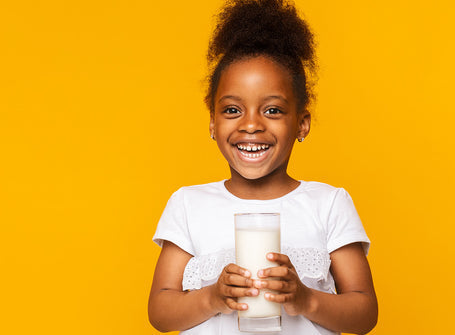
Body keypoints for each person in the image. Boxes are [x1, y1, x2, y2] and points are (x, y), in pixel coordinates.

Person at [148, 0, 378, 334]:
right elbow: (159, 310)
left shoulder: (328, 204)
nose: (251, 125)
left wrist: (306, 300)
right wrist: (211, 298)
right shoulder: (188, 205)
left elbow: (365, 312)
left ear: (301, 123)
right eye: (231, 110)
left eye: (272, 110)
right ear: (212, 123)